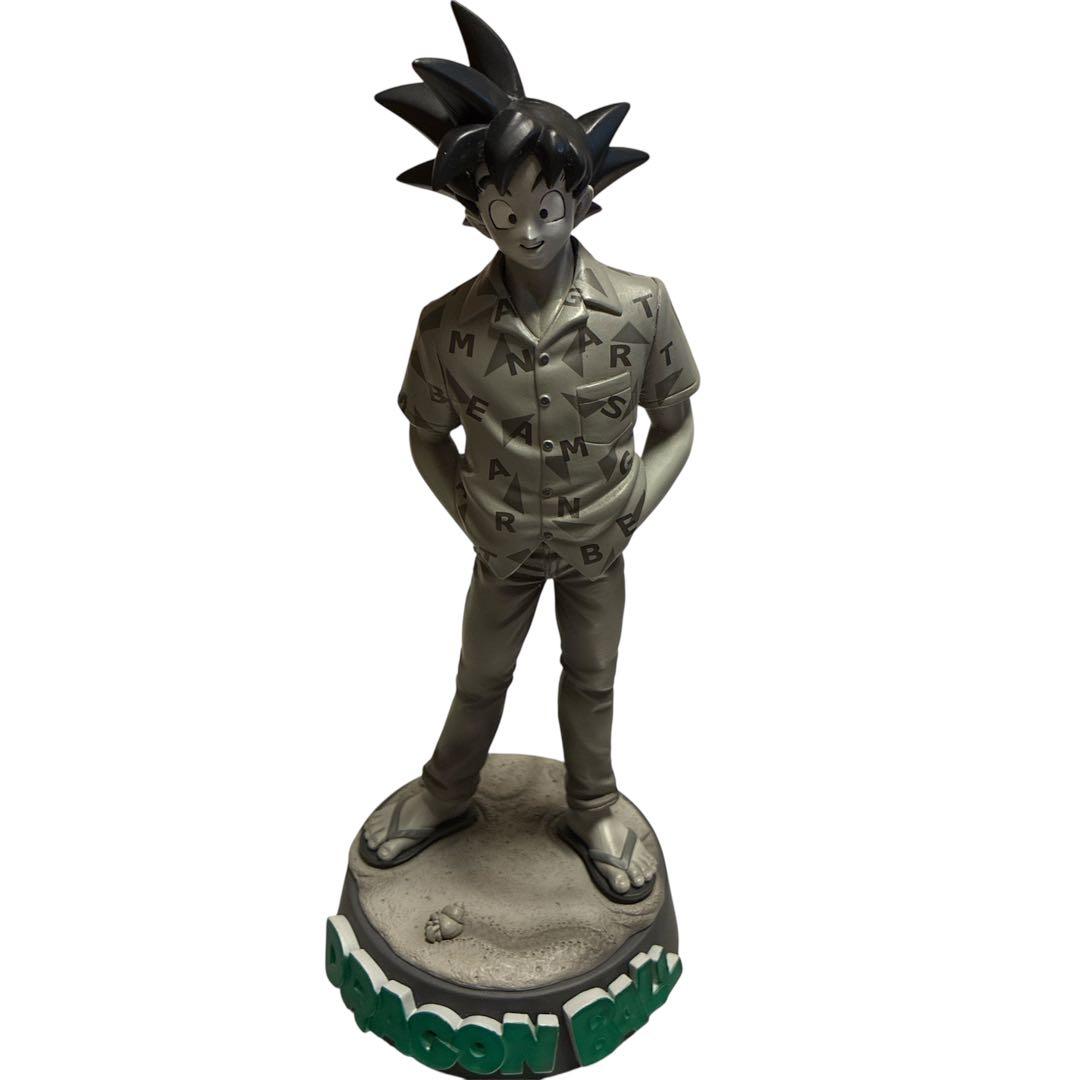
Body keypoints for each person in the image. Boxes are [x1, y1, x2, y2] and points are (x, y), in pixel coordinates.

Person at [362, 2, 699, 903]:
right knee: (480, 675)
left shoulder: (640, 308)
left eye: (546, 207)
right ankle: (446, 793)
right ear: (476, 214)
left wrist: (636, 500)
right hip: (500, 548)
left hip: (598, 546)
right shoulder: (447, 326)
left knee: (593, 677)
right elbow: (425, 434)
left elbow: (677, 423)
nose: (530, 229)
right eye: (504, 210)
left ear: (580, 199)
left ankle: (594, 806)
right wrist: (468, 512)